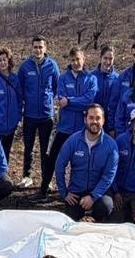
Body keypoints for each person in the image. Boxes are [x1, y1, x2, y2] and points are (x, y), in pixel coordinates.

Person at [39, 47, 97, 197]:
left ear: (84, 59)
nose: (76, 63)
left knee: (79, 162)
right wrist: (75, 102)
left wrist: (70, 101)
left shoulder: (91, 79)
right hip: (64, 128)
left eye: (78, 59)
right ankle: (43, 190)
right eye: (72, 60)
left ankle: (75, 191)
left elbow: (88, 101)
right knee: (53, 159)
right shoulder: (63, 78)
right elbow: (61, 100)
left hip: (81, 130)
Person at [54, 103, 118, 222]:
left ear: (103, 121)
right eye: (91, 118)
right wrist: (64, 193)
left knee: (106, 206)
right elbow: (59, 166)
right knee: (70, 218)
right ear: (85, 119)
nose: (94, 121)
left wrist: (93, 196)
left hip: (99, 191)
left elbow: (109, 175)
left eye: (98, 118)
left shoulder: (111, 145)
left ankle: (95, 221)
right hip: (77, 190)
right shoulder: (73, 140)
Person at [17, 35, 60, 189]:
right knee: (28, 148)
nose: (38, 50)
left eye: (41, 47)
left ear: (45, 48)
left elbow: (56, 87)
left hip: (46, 116)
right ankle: (27, 176)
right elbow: (20, 89)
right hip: (29, 114)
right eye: (35, 47)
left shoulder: (52, 66)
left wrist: (48, 102)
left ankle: (45, 179)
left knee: (45, 150)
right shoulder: (24, 67)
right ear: (32, 48)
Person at [94, 45, 121, 136]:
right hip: (94, 122)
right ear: (100, 58)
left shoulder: (118, 79)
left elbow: (118, 105)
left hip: (110, 126)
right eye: (105, 58)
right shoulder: (91, 77)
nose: (108, 62)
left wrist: (112, 127)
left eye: (111, 59)